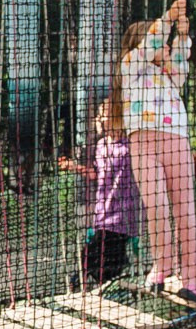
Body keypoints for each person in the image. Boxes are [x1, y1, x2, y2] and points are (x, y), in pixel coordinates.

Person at [111, 0, 196, 298]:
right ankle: (162, 267)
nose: (164, 47)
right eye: (159, 43)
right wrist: (167, 20)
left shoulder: (170, 77)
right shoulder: (131, 70)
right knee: (157, 208)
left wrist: (181, 35)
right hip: (144, 146)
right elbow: (150, 45)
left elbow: (181, 60)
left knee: (185, 212)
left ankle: (194, 280)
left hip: (176, 144)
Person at [58, 98, 141, 286]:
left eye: (102, 114)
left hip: (123, 215)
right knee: (100, 259)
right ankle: (105, 284)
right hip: (103, 212)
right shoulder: (102, 145)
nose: (98, 118)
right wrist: (73, 166)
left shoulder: (131, 146)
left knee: (95, 255)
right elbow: (96, 174)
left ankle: (93, 282)